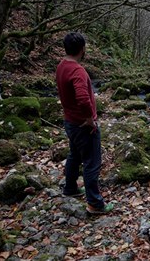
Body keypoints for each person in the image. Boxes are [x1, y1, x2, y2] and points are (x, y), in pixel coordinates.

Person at [56, 32, 113, 215]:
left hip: (70, 122)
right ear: (82, 49)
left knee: (74, 155)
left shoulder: (62, 66)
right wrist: (89, 119)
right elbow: (82, 97)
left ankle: (70, 188)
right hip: (83, 125)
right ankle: (95, 204)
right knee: (91, 163)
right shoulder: (77, 70)